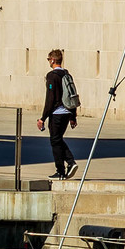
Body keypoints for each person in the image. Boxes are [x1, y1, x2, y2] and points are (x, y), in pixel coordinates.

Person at [40, 47, 80, 179]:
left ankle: (62, 169)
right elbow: (72, 95)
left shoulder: (52, 76)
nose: (48, 62)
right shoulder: (67, 74)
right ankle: (69, 164)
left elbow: (50, 99)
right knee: (57, 139)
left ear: (52, 60)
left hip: (57, 114)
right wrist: (73, 116)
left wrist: (42, 118)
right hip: (67, 113)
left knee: (55, 141)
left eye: (48, 59)